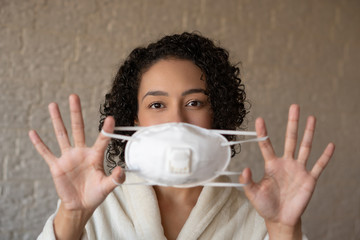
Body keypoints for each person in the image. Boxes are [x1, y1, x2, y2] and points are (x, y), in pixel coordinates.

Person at [29, 32, 335, 240]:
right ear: (135, 119)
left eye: (194, 103)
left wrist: (284, 230)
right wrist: (72, 215)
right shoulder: (96, 210)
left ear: (217, 114)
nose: (176, 120)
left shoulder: (258, 217)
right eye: (157, 104)